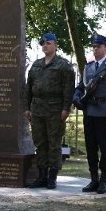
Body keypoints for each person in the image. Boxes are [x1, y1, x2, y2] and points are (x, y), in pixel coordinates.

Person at [72, 34, 106, 194]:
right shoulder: (88, 67)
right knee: (90, 148)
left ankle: (103, 180)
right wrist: (75, 96)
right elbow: (82, 86)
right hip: (89, 112)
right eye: (93, 47)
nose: (95, 49)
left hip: (104, 112)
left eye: (98, 47)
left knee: (104, 148)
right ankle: (93, 179)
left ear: (105, 48)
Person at [24, 33, 75, 189]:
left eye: (48, 43)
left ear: (55, 45)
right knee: (40, 143)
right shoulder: (36, 65)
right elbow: (28, 88)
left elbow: (69, 89)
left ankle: (52, 177)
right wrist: (27, 107)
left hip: (55, 109)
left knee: (54, 144)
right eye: (43, 43)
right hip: (37, 109)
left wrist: (66, 108)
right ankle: (42, 175)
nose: (45, 45)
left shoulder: (63, 65)